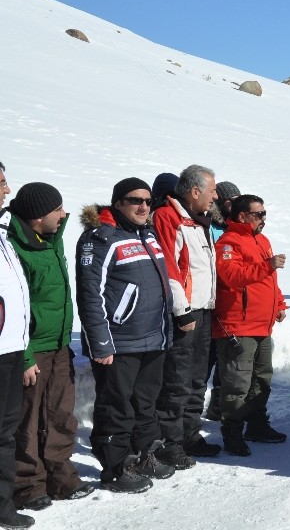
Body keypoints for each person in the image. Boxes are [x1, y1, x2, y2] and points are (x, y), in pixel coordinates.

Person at [76, 178, 175, 494]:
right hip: (119, 342)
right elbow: (90, 295)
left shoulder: (148, 234)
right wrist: (100, 342)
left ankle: (144, 455)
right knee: (115, 405)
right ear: (118, 203)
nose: (144, 206)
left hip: (153, 336)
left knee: (146, 403)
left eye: (147, 201)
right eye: (135, 200)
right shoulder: (101, 239)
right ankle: (114, 468)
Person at [5, 184, 91, 509]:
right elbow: (15, 309)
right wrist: (25, 357)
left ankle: (60, 477)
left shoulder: (51, 241)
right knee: (27, 421)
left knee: (60, 415)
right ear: (39, 216)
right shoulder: (15, 248)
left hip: (59, 346)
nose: (64, 214)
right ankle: (27, 485)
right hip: (31, 350)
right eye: (58, 209)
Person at [152, 165, 219, 468]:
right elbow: (169, 267)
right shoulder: (169, 217)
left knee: (196, 377)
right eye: (212, 190)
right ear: (195, 192)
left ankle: (190, 433)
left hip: (203, 309)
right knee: (177, 379)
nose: (215, 196)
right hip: (186, 312)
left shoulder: (197, 220)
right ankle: (170, 441)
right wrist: (182, 310)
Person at [214, 194, 288, 457]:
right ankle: (232, 433)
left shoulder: (261, 240)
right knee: (237, 383)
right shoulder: (228, 242)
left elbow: (269, 281)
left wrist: (278, 304)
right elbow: (232, 276)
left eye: (265, 213)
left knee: (261, 379)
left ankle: (256, 425)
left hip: (262, 324)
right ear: (243, 216)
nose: (263, 219)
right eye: (258, 214)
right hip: (238, 325)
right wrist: (266, 265)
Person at [0, 163, 36, 529]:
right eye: (1, 184)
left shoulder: (3, 236)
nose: (7, 192)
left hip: (10, 349)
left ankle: (2, 505)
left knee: (4, 430)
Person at [204, 180, 241, 422]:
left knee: (224, 355)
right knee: (207, 355)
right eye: (229, 201)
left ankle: (217, 401)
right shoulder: (210, 225)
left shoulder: (234, 225)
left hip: (228, 299)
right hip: (210, 296)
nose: (233, 205)